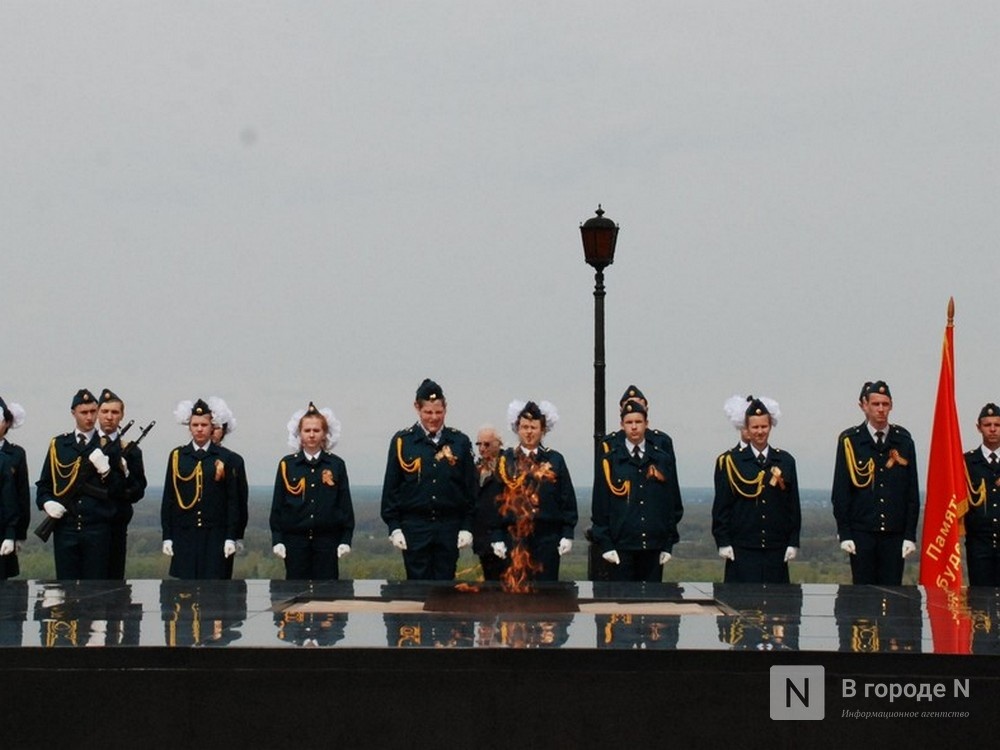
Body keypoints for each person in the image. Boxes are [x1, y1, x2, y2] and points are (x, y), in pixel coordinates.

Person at [380, 378, 476, 580]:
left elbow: (470, 490)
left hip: (448, 527)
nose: (433, 418)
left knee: (445, 591)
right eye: (428, 412)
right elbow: (391, 489)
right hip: (414, 527)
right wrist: (394, 527)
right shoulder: (402, 442)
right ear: (417, 408)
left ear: (445, 409)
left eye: (438, 412)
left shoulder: (459, 442)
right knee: (416, 591)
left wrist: (467, 526)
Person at [831, 380, 919, 585]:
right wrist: (844, 533)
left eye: (885, 404)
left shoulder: (903, 441)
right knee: (863, 598)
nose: (881, 409)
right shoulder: (850, 441)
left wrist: (909, 534)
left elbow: (911, 493)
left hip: (894, 534)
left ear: (891, 405)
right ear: (864, 405)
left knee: (893, 599)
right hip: (862, 533)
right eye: (876, 404)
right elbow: (841, 492)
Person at [592, 400, 683, 582]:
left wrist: (668, 544)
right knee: (622, 607)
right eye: (629, 423)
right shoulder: (610, 461)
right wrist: (606, 545)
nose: (634, 427)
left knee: (651, 605)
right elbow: (600, 507)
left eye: (638, 422)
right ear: (622, 425)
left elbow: (672, 504)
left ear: (646, 424)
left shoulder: (661, 459)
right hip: (621, 548)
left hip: (653, 547)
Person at [36, 389, 123, 579]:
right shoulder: (59, 445)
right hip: (66, 529)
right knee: (65, 591)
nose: (90, 417)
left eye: (93, 411)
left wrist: (107, 471)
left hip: (97, 530)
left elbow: (119, 491)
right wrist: (47, 503)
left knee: (94, 593)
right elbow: (44, 486)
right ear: (73, 413)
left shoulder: (109, 446)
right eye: (84, 412)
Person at [712, 396, 801, 583]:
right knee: (740, 607)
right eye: (755, 427)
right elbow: (722, 506)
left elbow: (792, 506)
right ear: (747, 429)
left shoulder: (785, 461)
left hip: (776, 547)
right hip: (742, 548)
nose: (760, 432)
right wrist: (723, 541)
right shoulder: (731, 461)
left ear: (770, 426)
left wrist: (793, 541)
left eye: (764, 427)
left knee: (777, 608)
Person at [493, 400, 577, 583]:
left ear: (543, 430)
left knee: (546, 593)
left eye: (533, 427)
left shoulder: (555, 460)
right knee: (515, 593)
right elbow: (495, 502)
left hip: (546, 538)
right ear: (517, 429)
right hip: (514, 538)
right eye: (524, 427)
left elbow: (567, 500)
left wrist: (567, 533)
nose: (529, 432)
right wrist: (496, 536)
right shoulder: (506, 460)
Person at [270, 402, 354, 580]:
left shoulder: (336, 465)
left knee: (327, 597)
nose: (311, 435)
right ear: (299, 434)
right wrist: (277, 539)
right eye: (307, 430)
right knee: (296, 596)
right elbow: (278, 505)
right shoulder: (288, 465)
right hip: (295, 542)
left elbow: (344, 505)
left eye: (316, 430)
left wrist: (346, 538)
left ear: (324, 434)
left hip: (327, 542)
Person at [161, 398, 240, 580]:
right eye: (195, 424)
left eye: (204, 424)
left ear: (212, 427)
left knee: (214, 593)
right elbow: (169, 498)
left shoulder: (225, 457)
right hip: (185, 533)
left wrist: (231, 536)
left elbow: (232, 500)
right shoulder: (178, 456)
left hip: (215, 534)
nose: (199, 429)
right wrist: (167, 535)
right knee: (185, 595)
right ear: (189, 427)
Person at [96, 388, 147, 580]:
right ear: (97, 413)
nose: (110, 417)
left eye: (115, 412)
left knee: (114, 582)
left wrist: (125, 476)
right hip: (86, 524)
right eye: (105, 411)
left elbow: (138, 491)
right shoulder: (86, 446)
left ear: (122, 416)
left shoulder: (130, 450)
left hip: (115, 524)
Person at [207, 396, 249, 579]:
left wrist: (237, 534)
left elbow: (239, 500)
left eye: (218, 428)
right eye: (211, 426)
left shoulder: (233, 460)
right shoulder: (184, 458)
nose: (213, 432)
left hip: (222, 530)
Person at [964, 403, 1000, 586]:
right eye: (987, 425)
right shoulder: (967, 462)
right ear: (979, 428)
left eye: (997, 425)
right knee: (980, 604)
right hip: (979, 544)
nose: (992, 429)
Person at [471, 424, 506, 581]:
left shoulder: (508, 468)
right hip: (483, 540)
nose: (482, 448)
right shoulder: (476, 469)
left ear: (498, 444)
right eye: (479, 444)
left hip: (504, 540)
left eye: (487, 444)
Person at [0, 396, 28, 580]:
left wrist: (16, 534)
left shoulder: (16, 454)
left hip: (3, 533)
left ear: (7, 422)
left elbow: (21, 497)